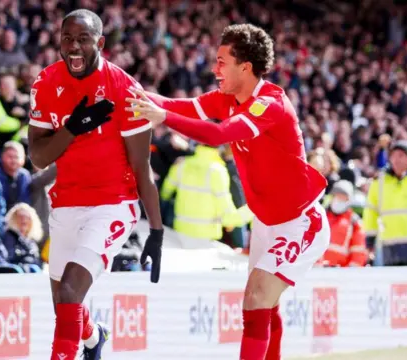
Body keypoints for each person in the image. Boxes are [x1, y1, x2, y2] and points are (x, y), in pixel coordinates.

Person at [127, 24, 330, 360]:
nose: (214, 68)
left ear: (245, 67)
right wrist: (125, 89)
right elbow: (178, 105)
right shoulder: (226, 99)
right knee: (264, 306)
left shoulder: (271, 103)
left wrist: (162, 117)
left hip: (300, 221)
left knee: (255, 298)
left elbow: (220, 134)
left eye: (222, 61)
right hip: (268, 222)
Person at [27, 9, 164, 360]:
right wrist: (73, 128)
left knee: (71, 291)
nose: (74, 47)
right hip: (65, 203)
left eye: (83, 39)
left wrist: (157, 230)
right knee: (63, 304)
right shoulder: (44, 83)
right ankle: (93, 336)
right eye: (67, 39)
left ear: (100, 43)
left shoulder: (126, 90)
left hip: (112, 203)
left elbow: (142, 167)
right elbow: (39, 157)